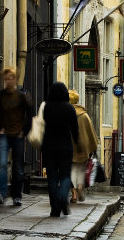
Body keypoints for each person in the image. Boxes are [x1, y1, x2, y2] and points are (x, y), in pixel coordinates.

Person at [0, 67, 32, 206]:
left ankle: (16, 195)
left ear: (15, 79)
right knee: (2, 163)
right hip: (4, 134)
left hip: (18, 135)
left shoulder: (22, 96)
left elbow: (30, 114)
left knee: (17, 166)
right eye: (7, 78)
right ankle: (1, 193)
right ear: (4, 80)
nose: (9, 81)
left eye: (11, 78)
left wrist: (24, 131)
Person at [42, 82, 79, 217]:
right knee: (65, 176)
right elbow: (75, 129)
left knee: (52, 178)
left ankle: (55, 208)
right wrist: (77, 144)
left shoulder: (47, 107)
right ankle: (63, 197)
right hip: (65, 147)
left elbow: (43, 126)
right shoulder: (69, 108)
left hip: (49, 147)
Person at [69, 90, 98, 203]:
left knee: (71, 170)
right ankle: (80, 186)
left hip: (70, 146)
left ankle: (74, 194)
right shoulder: (84, 115)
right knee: (81, 169)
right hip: (83, 147)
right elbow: (91, 132)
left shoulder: (66, 113)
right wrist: (93, 146)